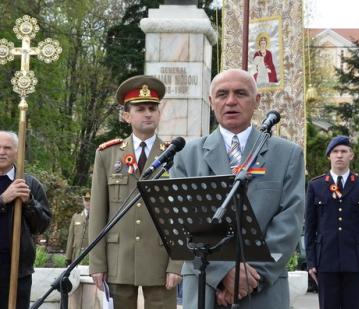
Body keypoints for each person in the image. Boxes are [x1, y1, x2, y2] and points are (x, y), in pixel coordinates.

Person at [171, 68, 304, 308]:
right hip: (205, 288)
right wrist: (222, 275)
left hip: (263, 290)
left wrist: (250, 279)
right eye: (222, 94)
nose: (231, 101)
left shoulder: (287, 155)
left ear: (257, 101)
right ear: (211, 102)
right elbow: (182, 226)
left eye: (240, 93)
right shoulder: (186, 156)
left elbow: (289, 223)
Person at [89, 75, 182, 309]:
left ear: (159, 114)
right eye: (140, 109)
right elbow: (99, 212)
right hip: (119, 259)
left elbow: (180, 216)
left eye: (152, 108)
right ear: (127, 116)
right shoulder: (107, 155)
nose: (148, 113)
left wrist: (176, 264)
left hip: (159, 260)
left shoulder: (174, 155)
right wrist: (97, 263)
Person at [304, 135, 359, 309]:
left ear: (351, 155)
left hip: (354, 261)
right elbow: (310, 228)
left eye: (344, 151)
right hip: (325, 261)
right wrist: (311, 262)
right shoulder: (316, 186)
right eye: (335, 151)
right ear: (329, 156)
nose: (339, 155)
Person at [0, 131, 51, 309]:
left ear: (17, 152)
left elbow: (41, 226)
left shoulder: (29, 183)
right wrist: (2, 199)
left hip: (17, 270)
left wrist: (29, 202)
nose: (1, 152)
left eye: (7, 148)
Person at [65, 191, 91, 265]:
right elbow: (71, 238)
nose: (88, 202)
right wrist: (68, 257)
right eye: (86, 200)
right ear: (83, 201)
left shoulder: (98, 218)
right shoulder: (76, 216)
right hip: (76, 256)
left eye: (90, 200)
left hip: (91, 257)